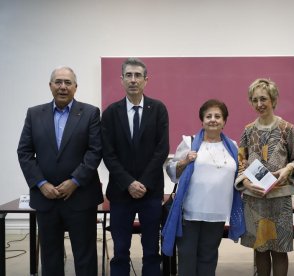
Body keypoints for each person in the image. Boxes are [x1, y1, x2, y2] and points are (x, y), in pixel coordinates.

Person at [17, 66, 103, 276]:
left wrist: (75, 181)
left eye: (68, 83)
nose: (63, 87)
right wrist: (41, 184)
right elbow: (25, 152)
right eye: (58, 82)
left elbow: (95, 151)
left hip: (81, 198)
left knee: (85, 256)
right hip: (46, 199)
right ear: (50, 86)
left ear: (75, 87)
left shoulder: (90, 113)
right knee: (50, 256)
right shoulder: (34, 113)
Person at [162, 99, 245, 276]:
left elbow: (238, 175)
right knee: (187, 258)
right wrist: (184, 161)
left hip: (217, 213)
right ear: (202, 120)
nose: (213, 119)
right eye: (208, 116)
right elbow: (171, 171)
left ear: (224, 121)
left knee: (208, 258)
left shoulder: (232, 146)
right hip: (190, 213)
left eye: (217, 116)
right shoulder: (189, 142)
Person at [101, 58, 169, 276]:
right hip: (121, 193)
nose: (133, 80)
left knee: (151, 250)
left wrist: (143, 183)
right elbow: (108, 154)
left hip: (151, 193)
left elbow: (162, 150)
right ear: (121, 80)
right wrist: (129, 183)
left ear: (146, 80)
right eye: (128, 75)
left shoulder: (158, 109)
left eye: (137, 75)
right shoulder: (110, 112)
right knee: (120, 250)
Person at [235, 78, 294, 276]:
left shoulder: (286, 128)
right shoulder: (248, 130)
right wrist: (245, 181)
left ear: (273, 100)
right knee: (260, 249)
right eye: (254, 100)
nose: (259, 104)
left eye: (263, 99)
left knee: (280, 250)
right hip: (254, 200)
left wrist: (288, 169)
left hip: (280, 200)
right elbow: (241, 163)